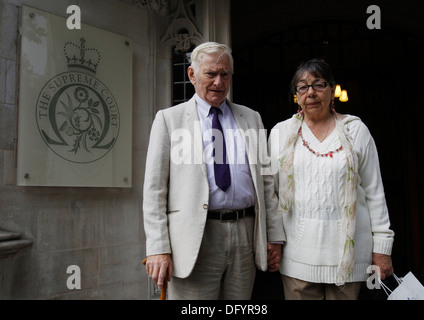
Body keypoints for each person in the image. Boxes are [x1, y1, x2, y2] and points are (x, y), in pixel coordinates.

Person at [143, 42, 286, 300]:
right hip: (194, 238)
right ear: (192, 75)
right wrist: (158, 247)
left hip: (245, 234)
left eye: (225, 74)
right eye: (211, 74)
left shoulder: (251, 118)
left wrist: (274, 235)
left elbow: (266, 182)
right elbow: (154, 191)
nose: (219, 82)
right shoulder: (168, 120)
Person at [268, 58, 394, 300]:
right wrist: (273, 240)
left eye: (319, 85)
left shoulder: (355, 130)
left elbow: (374, 191)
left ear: (332, 90)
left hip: (348, 258)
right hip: (298, 257)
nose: (311, 93)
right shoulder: (281, 133)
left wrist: (382, 249)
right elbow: (270, 193)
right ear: (296, 95)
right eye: (303, 87)